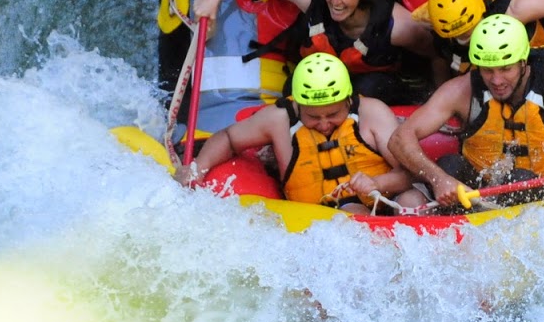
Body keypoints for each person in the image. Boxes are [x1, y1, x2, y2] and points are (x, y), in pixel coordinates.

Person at [389, 14, 544, 207]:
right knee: (449, 165)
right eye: (487, 69)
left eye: (506, 69)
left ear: (523, 61)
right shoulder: (460, 91)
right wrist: (438, 178)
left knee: (520, 181)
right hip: (477, 199)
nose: (496, 80)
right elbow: (399, 139)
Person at [191, 0, 437, 105]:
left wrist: (437, 98)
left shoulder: (399, 27)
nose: (335, 1)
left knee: (369, 89)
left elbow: (436, 53)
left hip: (370, 83)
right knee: (293, 90)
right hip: (318, 71)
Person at [173, 53, 427, 212]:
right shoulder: (279, 118)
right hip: (312, 221)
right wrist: (198, 167)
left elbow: (410, 173)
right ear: (298, 104)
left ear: (348, 100)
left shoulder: (372, 113)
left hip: (381, 208)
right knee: (349, 215)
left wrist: (377, 183)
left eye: (333, 115)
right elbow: (228, 138)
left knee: (413, 200)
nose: (324, 123)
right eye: (313, 117)